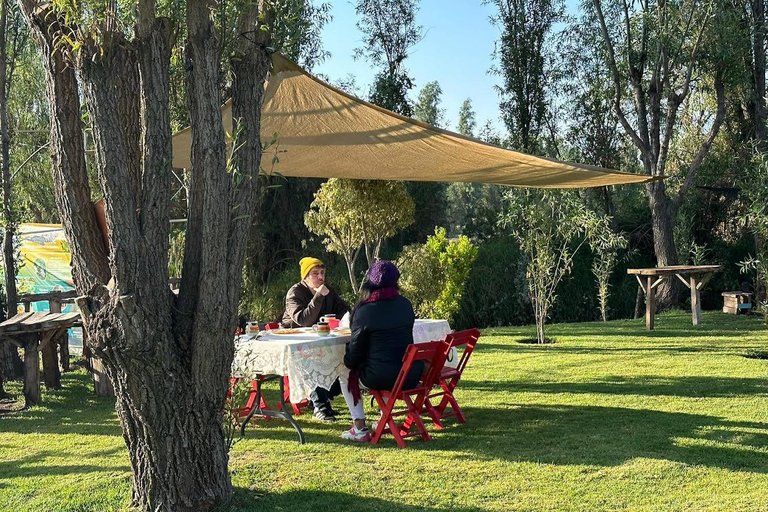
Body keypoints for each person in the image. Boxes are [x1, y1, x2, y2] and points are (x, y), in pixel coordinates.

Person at [337, 260, 423, 442]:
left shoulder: (365, 311)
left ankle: (359, 427)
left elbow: (355, 352)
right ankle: (385, 418)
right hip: (410, 375)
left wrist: (349, 360)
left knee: (345, 373)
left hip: (381, 376)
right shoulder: (405, 305)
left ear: (370, 282)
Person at [282, 257, 349, 421]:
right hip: (296, 345)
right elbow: (304, 320)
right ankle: (320, 406)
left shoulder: (328, 291)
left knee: (345, 358)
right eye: (315, 273)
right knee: (314, 357)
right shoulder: (295, 293)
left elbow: (345, 310)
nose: (320, 277)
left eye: (322, 273)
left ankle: (322, 400)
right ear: (305, 276)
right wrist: (318, 296)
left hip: (321, 340)